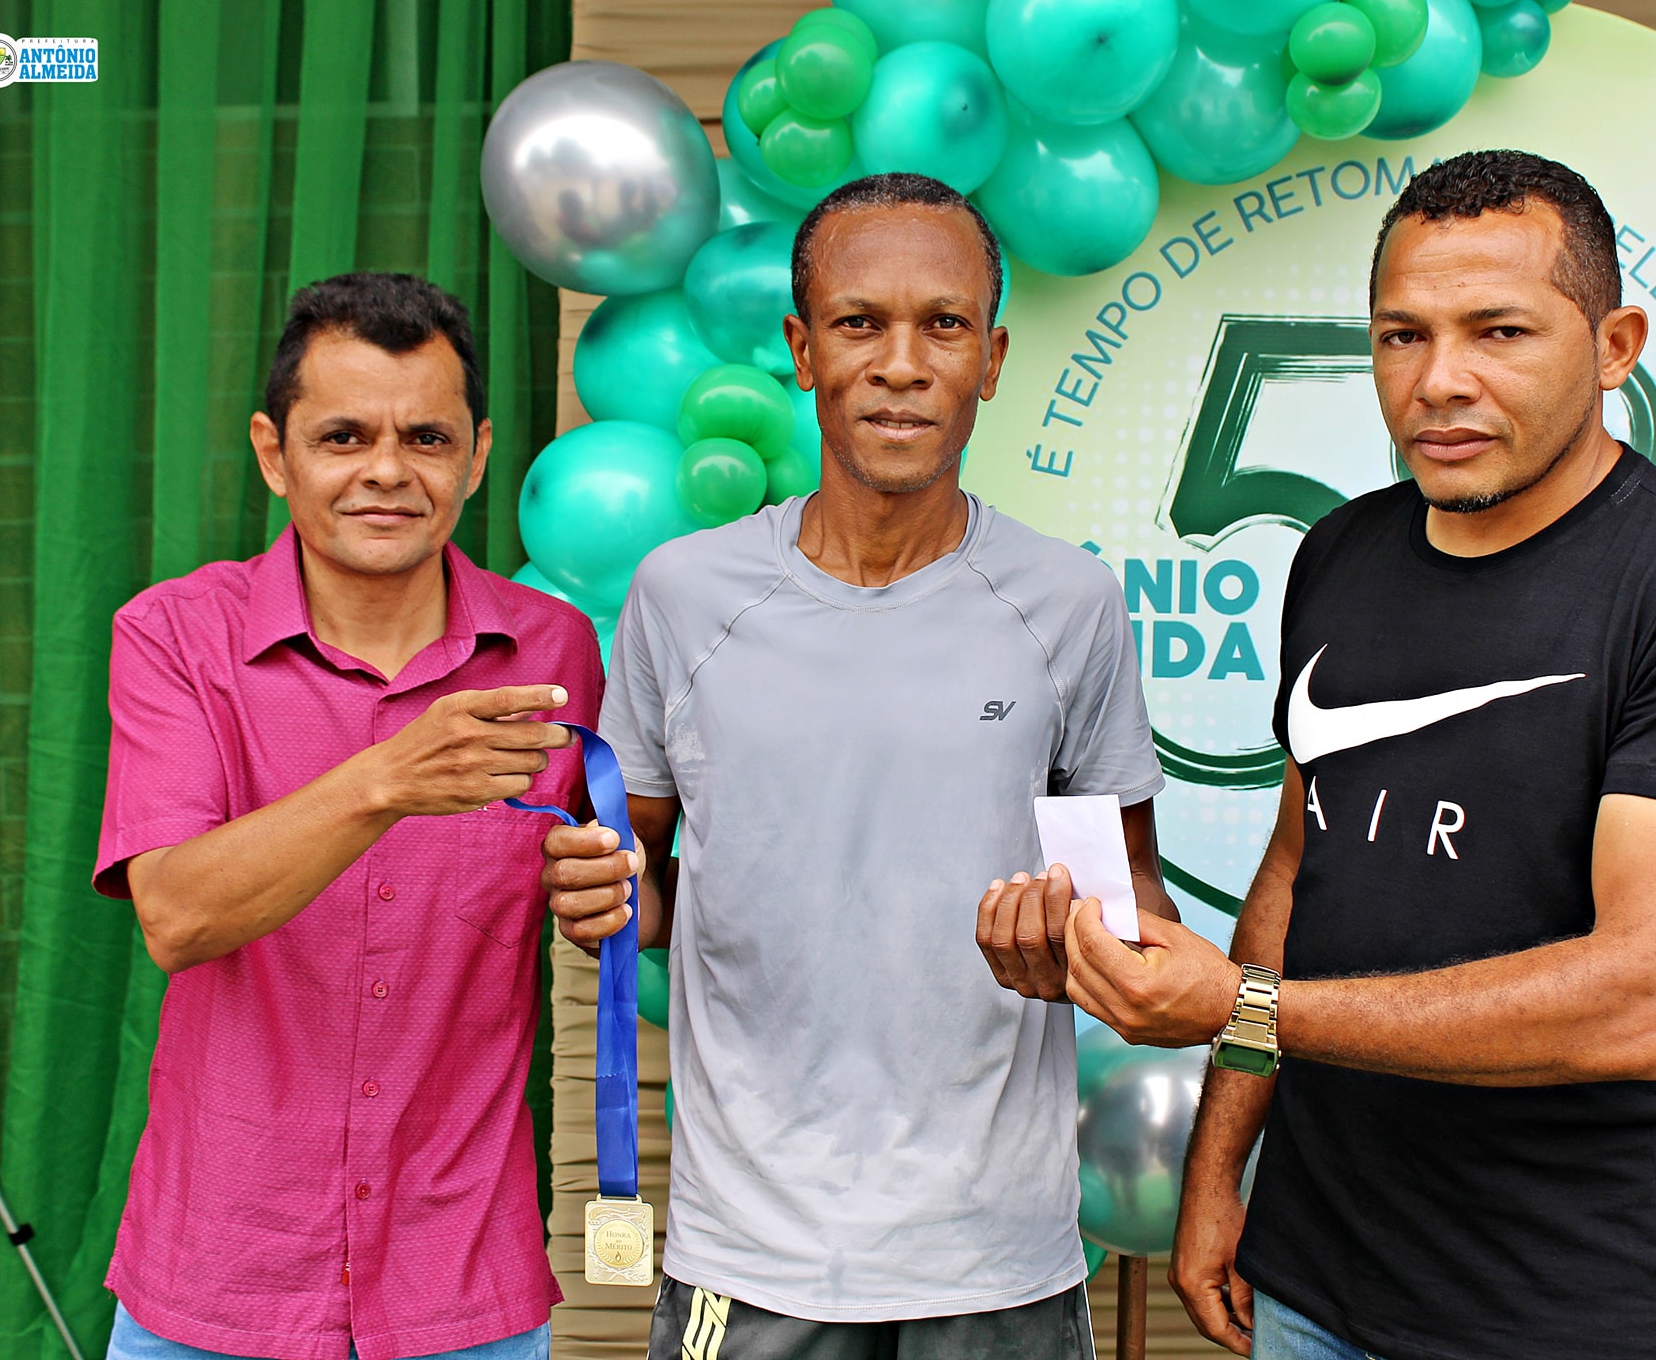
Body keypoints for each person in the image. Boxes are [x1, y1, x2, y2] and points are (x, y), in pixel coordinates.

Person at [1059, 151, 1656, 1360]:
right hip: (1307, 1285)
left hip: (1556, 1315)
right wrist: (1216, 1173)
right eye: (1400, 337)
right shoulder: (1339, 555)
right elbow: (1294, 873)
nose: (1438, 381)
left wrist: (1241, 1006)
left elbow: (1636, 1005)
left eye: (1497, 332)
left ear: (1614, 347)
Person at [548, 172, 1169, 1359]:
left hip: (997, 1253)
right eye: (858, 323)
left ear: (990, 359)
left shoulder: (1068, 603)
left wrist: (1085, 945)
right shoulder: (684, 595)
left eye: (942, 324)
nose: (900, 364)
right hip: (753, 1253)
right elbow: (639, 885)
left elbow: (1132, 900)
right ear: (801, 349)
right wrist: (597, 897)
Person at [92, 273, 634, 1360]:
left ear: (476, 457)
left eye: (426, 438)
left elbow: (614, 882)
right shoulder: (174, 636)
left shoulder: (555, 649)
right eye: (343, 436)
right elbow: (177, 917)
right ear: (273, 452)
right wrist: (385, 780)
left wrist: (604, 891)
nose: (387, 470)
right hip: (220, 1274)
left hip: (460, 1280)